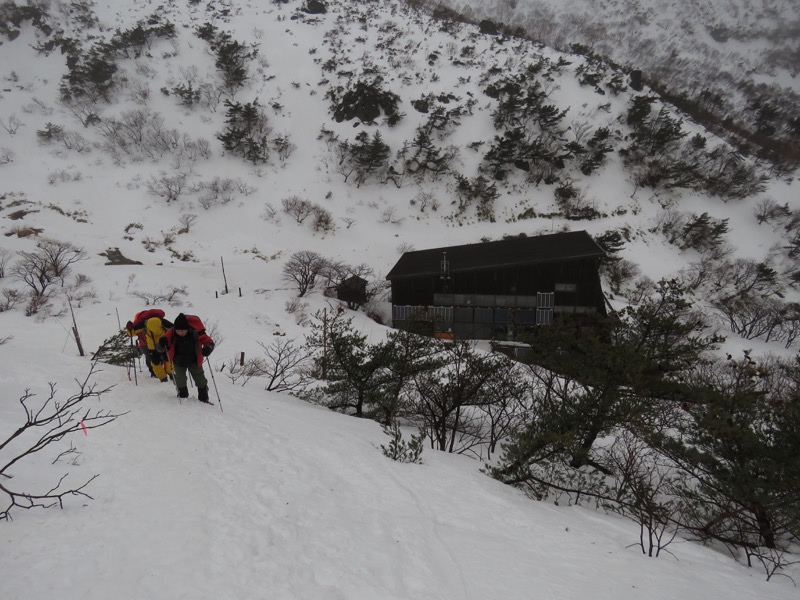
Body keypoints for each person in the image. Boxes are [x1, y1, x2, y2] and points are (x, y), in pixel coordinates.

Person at [157, 313, 215, 403]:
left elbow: (208, 341)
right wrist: (161, 343)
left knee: (200, 380)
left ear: (188, 328)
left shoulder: (196, 332)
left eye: (183, 330)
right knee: (180, 380)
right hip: (178, 361)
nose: (180, 333)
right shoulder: (171, 332)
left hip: (194, 360)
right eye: (178, 331)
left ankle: (204, 398)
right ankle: (183, 396)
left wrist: (209, 347)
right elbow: (160, 347)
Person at [126, 309, 174, 383]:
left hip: (151, 346)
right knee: (168, 360)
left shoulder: (144, 322)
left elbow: (131, 333)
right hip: (164, 344)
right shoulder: (163, 321)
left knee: (155, 362)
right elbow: (174, 329)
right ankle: (171, 373)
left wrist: (129, 329)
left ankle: (163, 378)